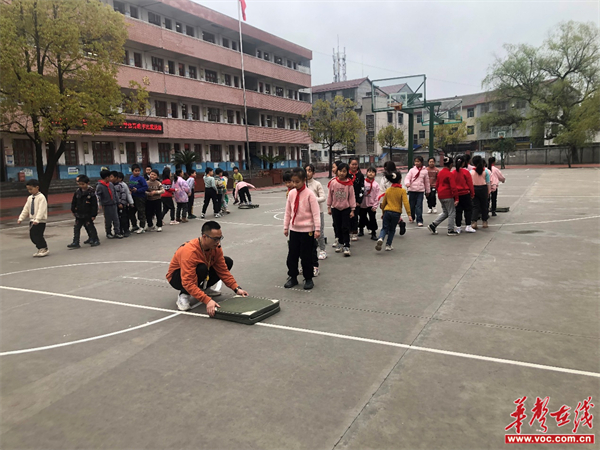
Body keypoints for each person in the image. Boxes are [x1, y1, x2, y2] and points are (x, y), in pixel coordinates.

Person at [166, 221, 249, 313]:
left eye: (220, 238)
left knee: (227, 261)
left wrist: (236, 288)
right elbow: (188, 282)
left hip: (198, 273)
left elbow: (223, 270)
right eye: (215, 239)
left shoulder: (216, 248)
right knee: (202, 268)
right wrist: (207, 300)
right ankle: (184, 295)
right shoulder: (190, 252)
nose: (218, 242)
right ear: (205, 237)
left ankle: (204, 288)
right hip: (178, 278)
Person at [283, 168, 321, 290]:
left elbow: (316, 213)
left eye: (297, 182)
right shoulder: (291, 194)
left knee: (306, 256)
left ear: (304, 180)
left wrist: (317, 229)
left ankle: (308, 278)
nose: (294, 184)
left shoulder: (310, 194)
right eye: (293, 182)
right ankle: (293, 277)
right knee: (292, 255)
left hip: (307, 230)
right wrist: (286, 227)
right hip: (294, 230)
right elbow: (288, 211)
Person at [376, 172, 410, 251]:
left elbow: (384, 203)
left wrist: (383, 213)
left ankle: (381, 238)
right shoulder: (402, 191)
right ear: (400, 180)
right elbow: (406, 203)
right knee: (392, 229)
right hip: (396, 212)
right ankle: (388, 245)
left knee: (384, 228)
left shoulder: (388, 190)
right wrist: (409, 214)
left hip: (387, 211)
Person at [327, 162, 356, 257]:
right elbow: (330, 195)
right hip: (335, 208)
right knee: (337, 226)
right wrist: (329, 206)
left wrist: (352, 209)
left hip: (346, 209)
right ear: (337, 171)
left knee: (345, 227)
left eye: (344, 171)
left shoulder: (349, 184)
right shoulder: (333, 183)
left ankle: (346, 245)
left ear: (347, 172)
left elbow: (351, 197)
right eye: (340, 171)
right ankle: (340, 242)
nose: (342, 173)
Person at [427, 156, 459, 236]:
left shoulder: (440, 172)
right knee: (452, 212)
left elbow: (437, 184)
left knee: (445, 212)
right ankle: (450, 230)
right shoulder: (449, 174)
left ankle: (433, 225)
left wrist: (439, 192)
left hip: (441, 195)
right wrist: (456, 198)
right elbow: (453, 187)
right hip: (448, 194)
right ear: (451, 164)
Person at [17, 179, 49, 257]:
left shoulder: (41, 197)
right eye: (28, 189)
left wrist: (37, 219)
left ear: (37, 187)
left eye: (31, 189)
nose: (30, 191)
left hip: (40, 220)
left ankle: (44, 248)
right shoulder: (30, 198)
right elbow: (26, 208)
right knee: (32, 236)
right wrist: (21, 218)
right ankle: (40, 248)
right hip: (32, 220)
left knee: (38, 235)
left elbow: (41, 209)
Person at [305, 164, 327, 271]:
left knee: (319, 232)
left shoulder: (317, 184)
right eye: (306, 171)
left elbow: (323, 197)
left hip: (318, 212)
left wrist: (313, 200)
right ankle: (310, 252)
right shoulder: (302, 185)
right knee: (308, 233)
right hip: (306, 214)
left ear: (313, 173)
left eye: (310, 171)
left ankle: (322, 250)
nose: (307, 173)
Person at [68, 175, 99, 248]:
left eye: (83, 184)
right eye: (79, 184)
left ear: (87, 183)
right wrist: (73, 210)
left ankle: (95, 239)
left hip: (88, 214)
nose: (81, 186)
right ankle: (76, 242)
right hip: (79, 214)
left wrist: (93, 215)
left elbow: (94, 205)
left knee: (90, 227)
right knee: (76, 228)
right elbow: (74, 202)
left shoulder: (91, 193)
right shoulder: (77, 192)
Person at [380, 161, 408, 235]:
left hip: (387, 197)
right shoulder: (397, 175)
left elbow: (382, 189)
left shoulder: (384, 178)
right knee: (395, 212)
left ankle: (387, 228)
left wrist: (381, 201)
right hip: (396, 197)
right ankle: (400, 222)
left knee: (387, 213)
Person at [404, 156, 430, 227]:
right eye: (415, 161)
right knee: (411, 205)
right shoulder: (412, 170)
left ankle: (419, 220)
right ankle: (412, 216)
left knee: (419, 206)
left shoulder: (425, 171)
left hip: (420, 191)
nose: (416, 163)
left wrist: (428, 191)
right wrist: (407, 183)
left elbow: (426, 182)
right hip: (412, 190)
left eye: (418, 161)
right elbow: (407, 178)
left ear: (421, 162)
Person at [96, 169, 122, 239]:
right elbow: (98, 196)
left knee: (116, 219)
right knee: (108, 220)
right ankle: (108, 232)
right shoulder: (100, 186)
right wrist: (99, 205)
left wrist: (118, 202)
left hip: (113, 204)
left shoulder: (110, 184)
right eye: (110, 176)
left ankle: (117, 232)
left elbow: (115, 193)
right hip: (106, 205)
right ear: (107, 177)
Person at [454, 155, 476, 234]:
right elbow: (470, 184)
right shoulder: (466, 172)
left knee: (458, 211)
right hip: (465, 193)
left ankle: (458, 227)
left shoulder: (453, 172)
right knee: (468, 210)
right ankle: (468, 226)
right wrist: (472, 193)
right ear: (463, 163)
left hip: (457, 194)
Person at [359, 166, 380, 241]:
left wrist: (375, 205)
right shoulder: (363, 183)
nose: (371, 173)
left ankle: (373, 233)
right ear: (366, 173)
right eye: (369, 172)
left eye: (373, 172)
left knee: (372, 219)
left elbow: (378, 196)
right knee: (362, 217)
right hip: (362, 204)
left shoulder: (376, 184)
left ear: (375, 174)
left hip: (371, 205)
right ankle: (361, 230)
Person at [470, 155, 491, 229]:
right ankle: (484, 222)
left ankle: (474, 222)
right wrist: (489, 192)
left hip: (474, 188)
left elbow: (470, 183)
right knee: (484, 206)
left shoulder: (471, 172)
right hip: (483, 189)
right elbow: (488, 182)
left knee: (475, 206)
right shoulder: (485, 171)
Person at [348, 157, 364, 241]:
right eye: (352, 164)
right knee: (348, 216)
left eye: (356, 164)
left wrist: (359, 201)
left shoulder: (360, 175)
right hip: (347, 200)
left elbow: (362, 188)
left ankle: (355, 232)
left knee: (355, 217)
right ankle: (349, 231)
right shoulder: (346, 174)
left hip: (356, 199)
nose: (354, 166)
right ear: (349, 165)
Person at [112, 171, 133, 238]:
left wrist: (130, 202)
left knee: (124, 218)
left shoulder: (122, 185)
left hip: (123, 204)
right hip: (115, 205)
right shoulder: (111, 185)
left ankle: (126, 230)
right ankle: (119, 230)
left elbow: (126, 194)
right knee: (117, 219)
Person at [128, 164, 148, 232]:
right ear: (132, 171)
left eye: (138, 171)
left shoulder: (141, 178)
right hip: (133, 197)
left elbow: (145, 187)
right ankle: (134, 225)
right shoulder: (131, 177)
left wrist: (138, 190)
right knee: (131, 212)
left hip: (140, 197)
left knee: (141, 211)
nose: (137, 172)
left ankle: (142, 226)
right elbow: (130, 185)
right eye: (135, 171)